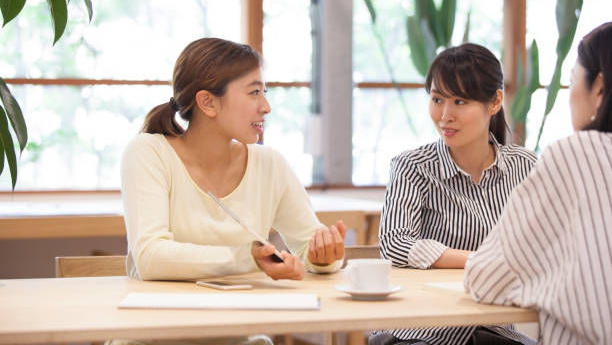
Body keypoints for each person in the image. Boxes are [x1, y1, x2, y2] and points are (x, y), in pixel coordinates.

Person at [119, 38, 346, 345]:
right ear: (207, 102)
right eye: (254, 92)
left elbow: (308, 247)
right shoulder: (149, 152)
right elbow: (150, 257)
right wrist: (249, 259)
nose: (266, 106)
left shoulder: (269, 164)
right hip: (151, 339)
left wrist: (323, 257)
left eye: (264, 92)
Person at [372, 43, 538, 345]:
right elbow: (395, 244)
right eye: (437, 99)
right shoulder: (413, 166)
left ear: (495, 101)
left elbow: (545, 244)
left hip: (495, 329)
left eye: (460, 101)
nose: (445, 115)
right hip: (422, 332)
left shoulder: (525, 167)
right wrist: (478, 260)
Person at [464, 23, 612, 345]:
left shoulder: (575, 154)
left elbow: (485, 279)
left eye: (572, 80)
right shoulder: (411, 164)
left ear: (599, 89)